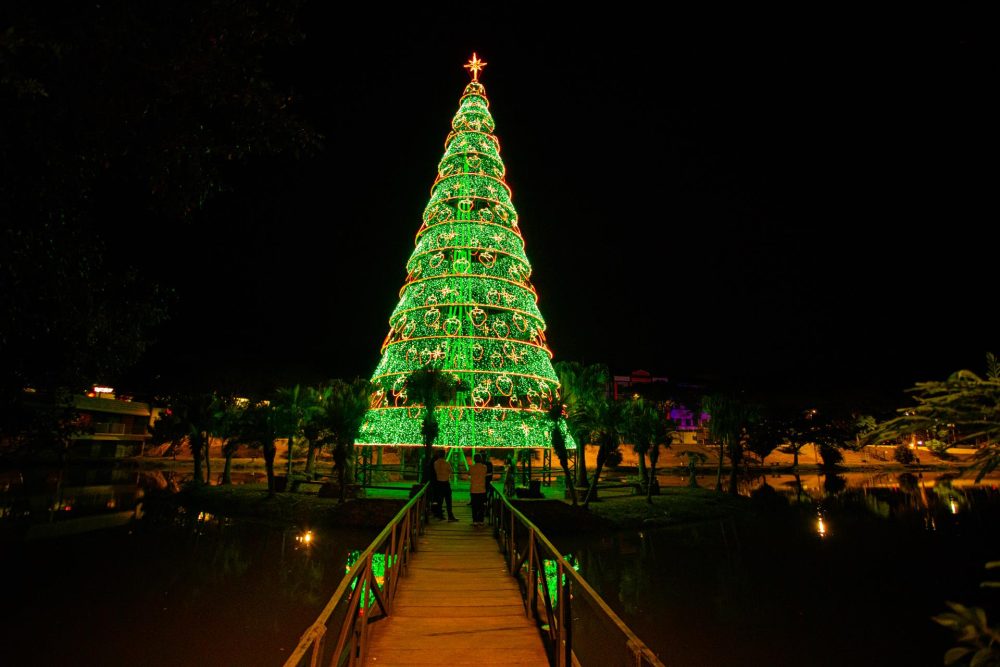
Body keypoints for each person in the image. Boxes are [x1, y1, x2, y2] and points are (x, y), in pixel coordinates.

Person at [433, 450, 458, 521]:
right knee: (448, 501)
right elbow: (451, 471)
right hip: (445, 483)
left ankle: (440, 515)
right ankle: (450, 516)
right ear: (444, 455)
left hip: (439, 483)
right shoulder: (446, 463)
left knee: (440, 500)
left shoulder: (435, 463)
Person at [469, 454, 487, 527]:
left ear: (474, 459)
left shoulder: (472, 467)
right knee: (481, 506)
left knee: (474, 506)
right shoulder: (484, 467)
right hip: (482, 489)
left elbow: (469, 473)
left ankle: (475, 520)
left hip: (474, 489)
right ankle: (481, 520)